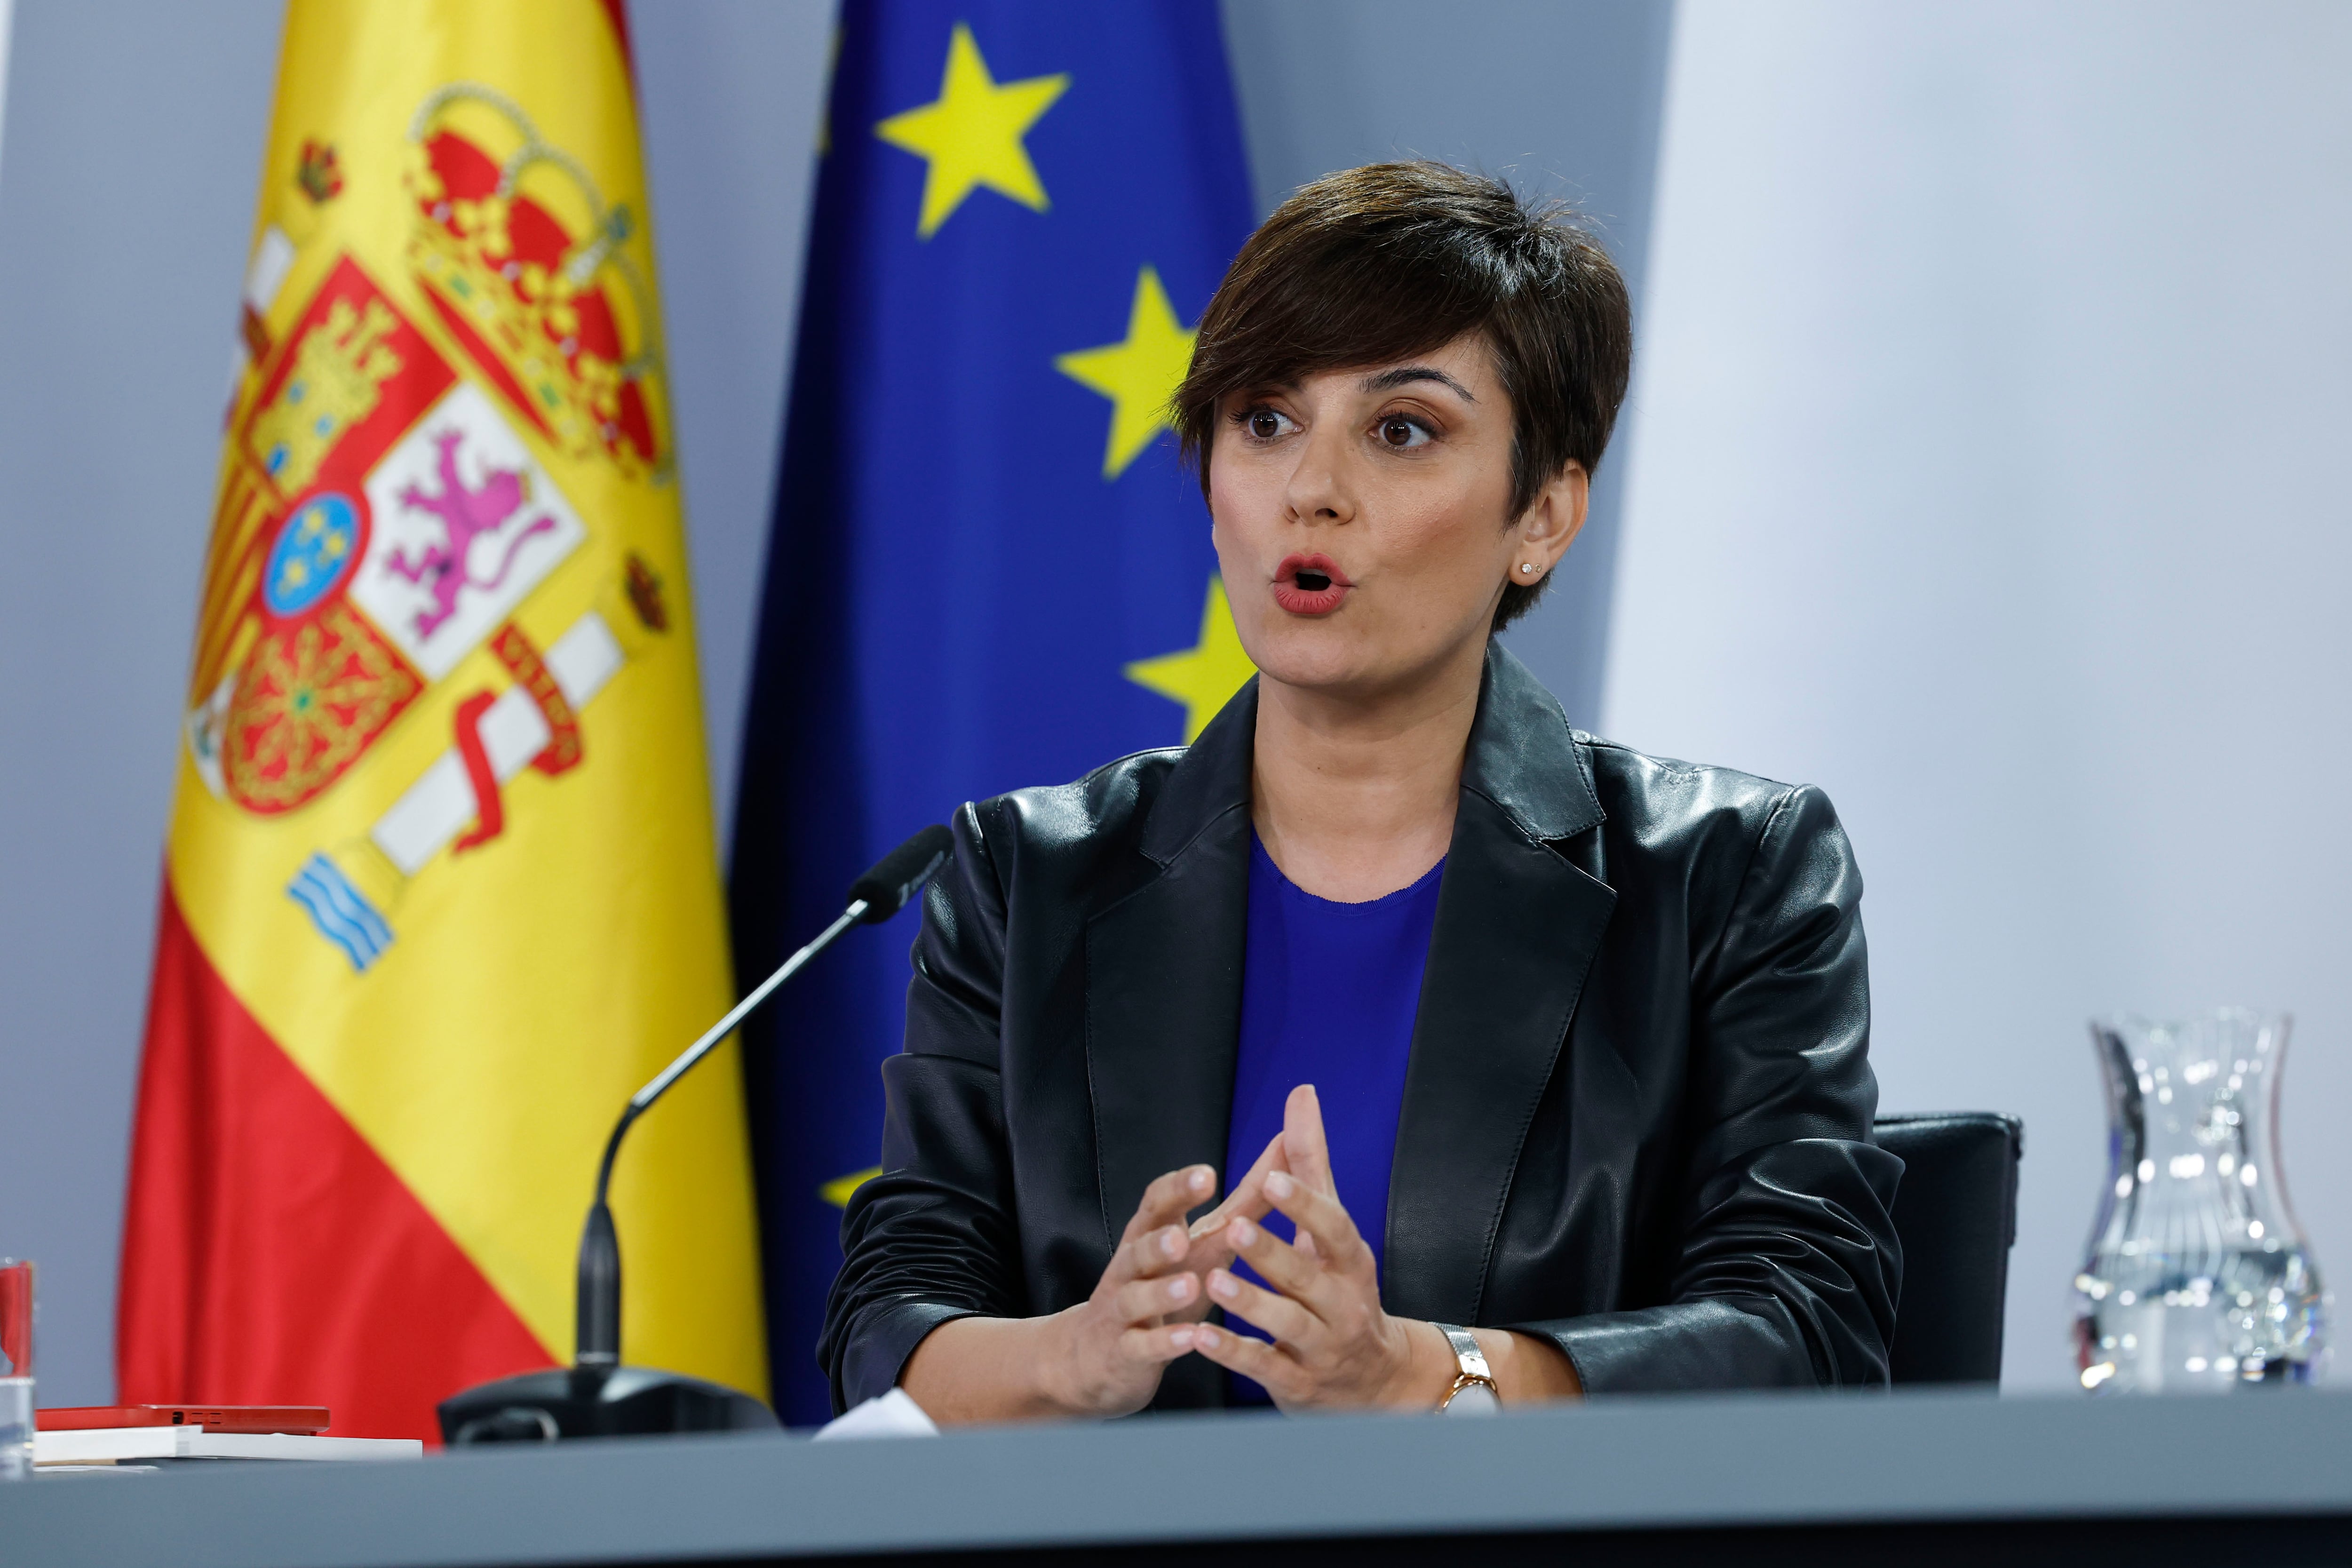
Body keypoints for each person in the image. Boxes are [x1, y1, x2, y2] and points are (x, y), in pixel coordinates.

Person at [819, 162, 1901, 1422]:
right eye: (1265, 421)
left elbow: (1807, 1331)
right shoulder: (1030, 880)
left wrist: (1424, 1381)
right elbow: (889, 1321)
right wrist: (1078, 1358)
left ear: (1542, 514)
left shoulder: (1729, 876)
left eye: (1401, 431)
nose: (1310, 490)